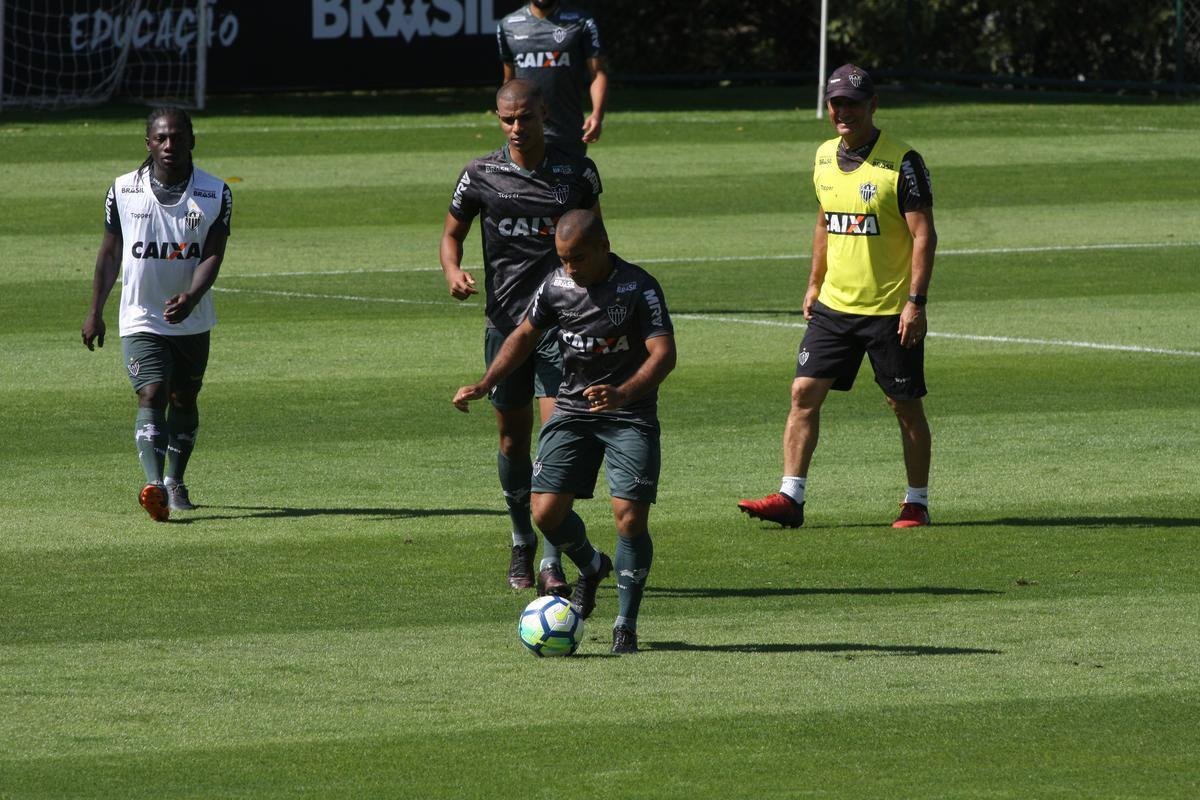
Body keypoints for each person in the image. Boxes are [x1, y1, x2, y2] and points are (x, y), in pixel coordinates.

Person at [453, 209, 676, 654]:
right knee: (545, 512)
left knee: (629, 518)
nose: (568, 268)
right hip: (573, 409)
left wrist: (622, 393)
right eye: (562, 258)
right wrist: (486, 382)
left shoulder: (639, 287)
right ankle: (591, 567)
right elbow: (523, 335)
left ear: (603, 246)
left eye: (576, 258)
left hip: (628, 414)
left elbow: (664, 354)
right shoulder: (555, 285)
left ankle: (624, 626)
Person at [738, 64, 937, 530]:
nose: (842, 111)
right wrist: (814, 282)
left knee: (903, 405)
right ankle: (791, 497)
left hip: (889, 311)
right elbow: (825, 222)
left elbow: (924, 236)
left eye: (852, 102)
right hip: (834, 307)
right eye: (836, 103)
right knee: (803, 392)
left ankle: (916, 502)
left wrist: (916, 301)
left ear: (873, 105)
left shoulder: (902, 161)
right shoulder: (824, 155)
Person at [441, 79, 603, 595]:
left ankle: (552, 559)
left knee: (555, 442)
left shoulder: (576, 172)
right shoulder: (479, 175)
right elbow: (451, 234)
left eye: (525, 118)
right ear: (498, 118)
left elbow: (597, 243)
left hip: (563, 328)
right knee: (512, 439)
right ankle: (520, 540)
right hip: (506, 326)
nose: (516, 128)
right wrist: (452, 271)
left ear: (543, 113)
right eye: (507, 120)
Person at [82, 106, 233, 522]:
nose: (169, 145)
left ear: (192, 141)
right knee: (151, 392)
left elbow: (214, 252)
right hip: (140, 317)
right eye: (161, 138)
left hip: (192, 318)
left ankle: (174, 481)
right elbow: (110, 252)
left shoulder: (215, 192)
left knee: (184, 397)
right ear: (148, 143)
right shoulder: (123, 190)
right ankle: (153, 486)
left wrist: (192, 295)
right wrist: (95, 310)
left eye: (177, 137)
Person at [497, 0, 607, 156]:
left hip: (567, 132)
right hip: (524, 132)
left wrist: (597, 114)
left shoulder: (582, 21)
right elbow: (509, 82)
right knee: (527, 180)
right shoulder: (507, 24)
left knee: (569, 180)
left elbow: (597, 73)